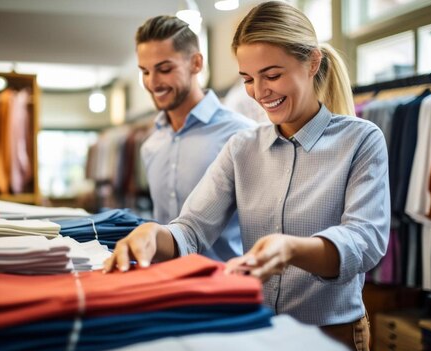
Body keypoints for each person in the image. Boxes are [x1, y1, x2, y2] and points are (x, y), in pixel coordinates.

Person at [105, 2, 389, 350]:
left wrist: (293, 249)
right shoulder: (241, 147)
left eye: (272, 75)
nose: (259, 92)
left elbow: (365, 240)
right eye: (248, 80)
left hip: (331, 333)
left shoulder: (361, 139)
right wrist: (154, 234)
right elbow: (193, 228)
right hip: (255, 329)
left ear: (312, 62)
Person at [134, 15, 256, 262]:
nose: (152, 82)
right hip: (166, 286)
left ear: (196, 63)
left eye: (164, 69)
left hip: (225, 288)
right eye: (145, 72)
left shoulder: (241, 134)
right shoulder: (150, 145)